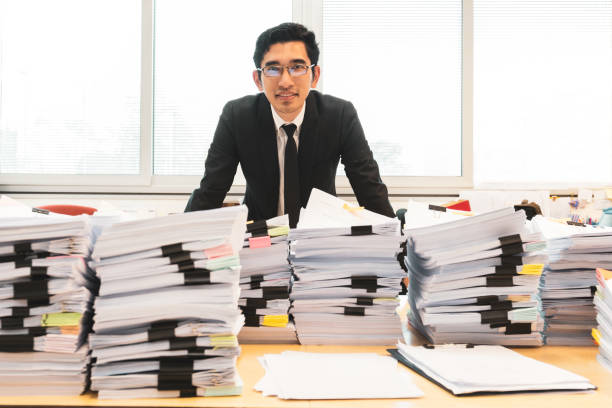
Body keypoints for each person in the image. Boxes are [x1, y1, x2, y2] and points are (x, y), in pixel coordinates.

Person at [185, 22, 394, 227]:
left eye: (297, 67)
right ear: (258, 79)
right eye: (273, 69)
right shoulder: (237, 117)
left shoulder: (339, 115)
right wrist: (174, 241)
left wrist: (397, 244)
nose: (285, 81)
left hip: (320, 238)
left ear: (315, 76)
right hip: (260, 238)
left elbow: (368, 186)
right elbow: (211, 189)